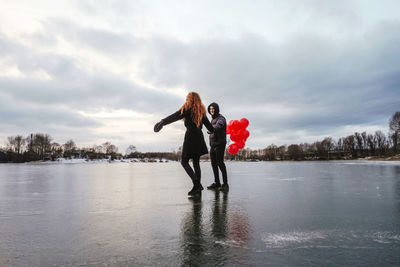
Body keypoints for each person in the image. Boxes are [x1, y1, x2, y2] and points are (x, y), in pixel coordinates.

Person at [154, 92, 214, 196]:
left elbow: (175, 116)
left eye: (187, 98)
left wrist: (162, 122)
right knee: (196, 163)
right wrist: (211, 131)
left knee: (184, 161)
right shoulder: (201, 111)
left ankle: (197, 185)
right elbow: (210, 127)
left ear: (190, 99)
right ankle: (197, 189)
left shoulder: (187, 108)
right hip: (199, 138)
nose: (186, 100)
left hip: (190, 137)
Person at [206, 103, 229, 191]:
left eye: (213, 109)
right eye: (210, 109)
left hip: (220, 144)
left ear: (216, 109)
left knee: (220, 163)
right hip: (213, 145)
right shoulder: (212, 119)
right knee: (213, 164)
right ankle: (217, 183)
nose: (212, 110)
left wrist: (211, 129)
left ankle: (225, 184)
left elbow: (219, 126)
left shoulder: (221, 118)